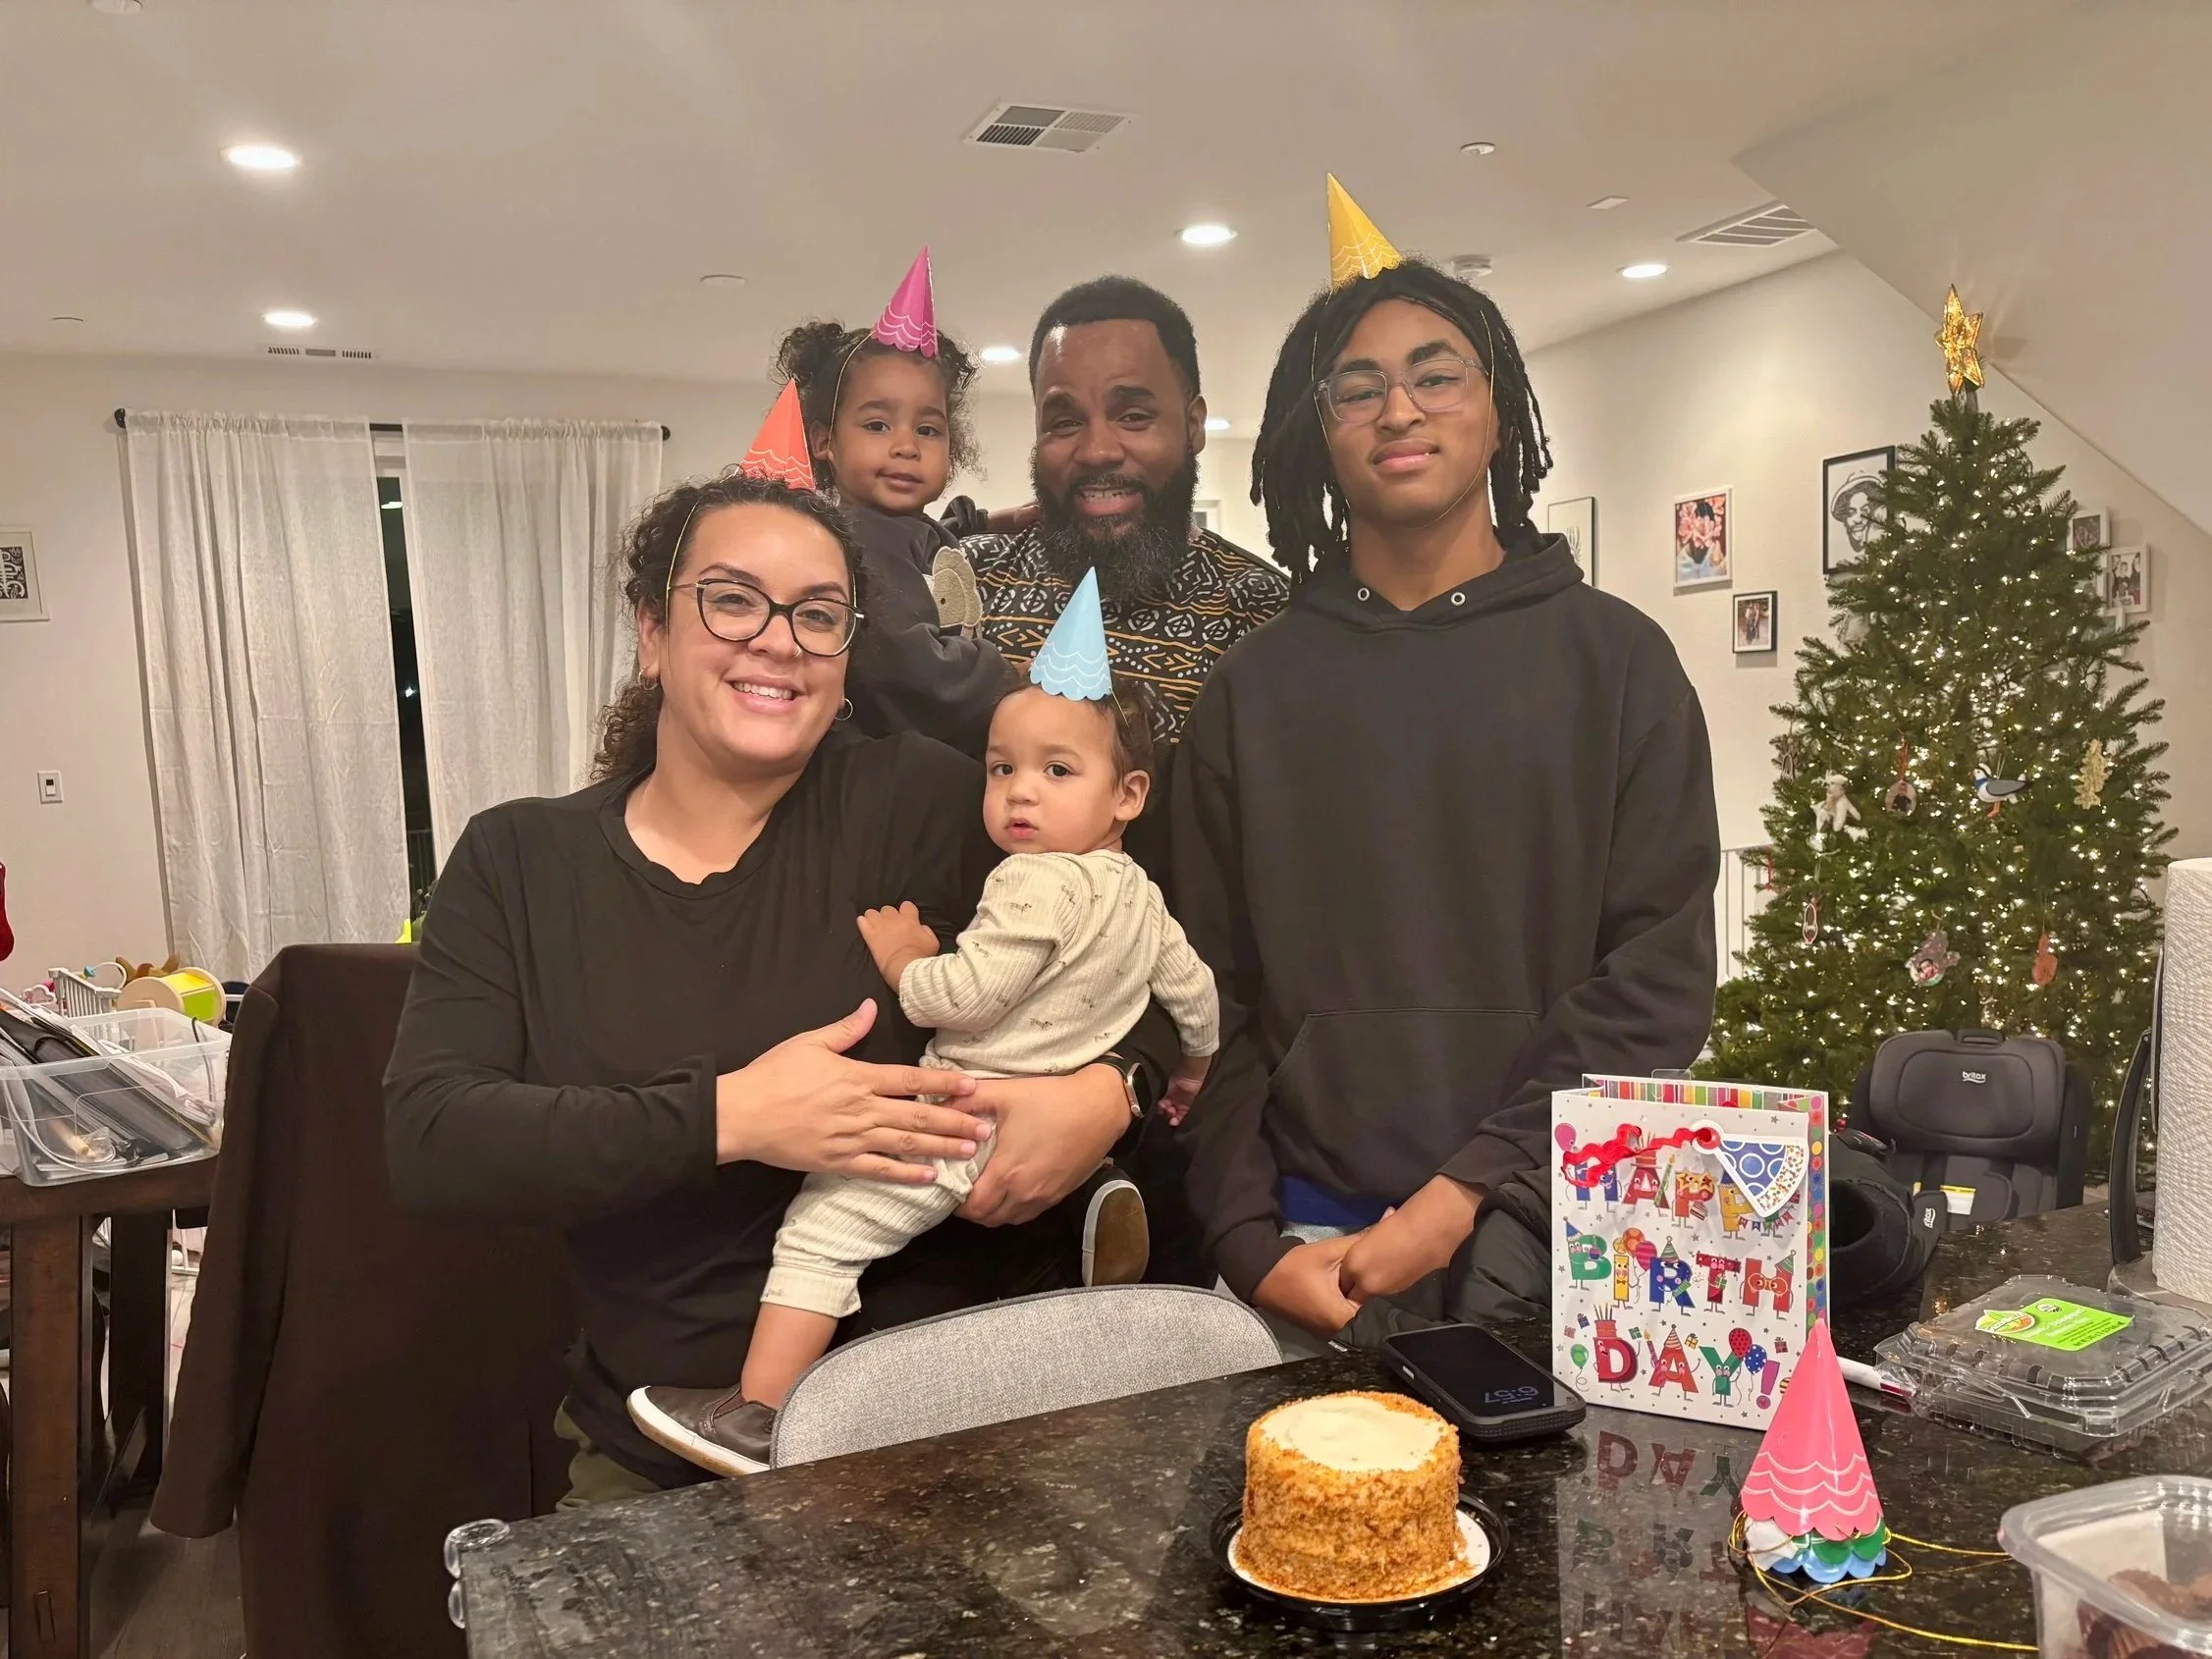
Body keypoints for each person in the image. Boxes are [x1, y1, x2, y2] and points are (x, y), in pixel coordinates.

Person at [384, 451, 1179, 1502]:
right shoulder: (522, 860)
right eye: (731, 600)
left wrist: (1111, 1089)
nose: (777, 639)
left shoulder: (927, 800)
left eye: (818, 614)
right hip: (670, 1458)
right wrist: (734, 1116)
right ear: (652, 631)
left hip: (967, 1432)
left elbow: (1142, 942)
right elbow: (434, 1141)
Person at [1177, 179, 1720, 1354]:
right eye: (1357, 387)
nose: (1398, 410)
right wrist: (1248, 1242)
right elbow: (1204, 998)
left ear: (1498, 412)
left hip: (1555, 1230)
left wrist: (1464, 1190)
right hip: (1311, 1252)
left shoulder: (1617, 664)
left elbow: (1656, 982)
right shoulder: (1252, 692)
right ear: (1319, 434)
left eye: (1437, 375)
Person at [628, 578, 1217, 1476]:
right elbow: (1192, 995)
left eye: (1057, 772)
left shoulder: (1028, 879)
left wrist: (907, 959)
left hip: (961, 1120)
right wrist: (1187, 1071)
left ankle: (758, 1415)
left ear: (1128, 794)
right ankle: (1088, 1194)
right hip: (1041, 1122)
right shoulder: (1140, 893)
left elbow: (964, 998)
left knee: (824, 1231)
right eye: (1001, 769)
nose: (1019, 795)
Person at [962, 276, 1287, 755]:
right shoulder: (970, 582)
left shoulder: (1261, 614)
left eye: (1133, 416)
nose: (1097, 451)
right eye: (1064, 422)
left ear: (1193, 425)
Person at [777, 247, 1011, 756]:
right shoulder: (861, 541)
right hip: (895, 763)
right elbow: (913, 668)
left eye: (927, 429)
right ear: (825, 441)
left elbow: (934, 551)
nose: (906, 446)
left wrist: (990, 521)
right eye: (878, 424)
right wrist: (1010, 676)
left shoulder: (901, 529)